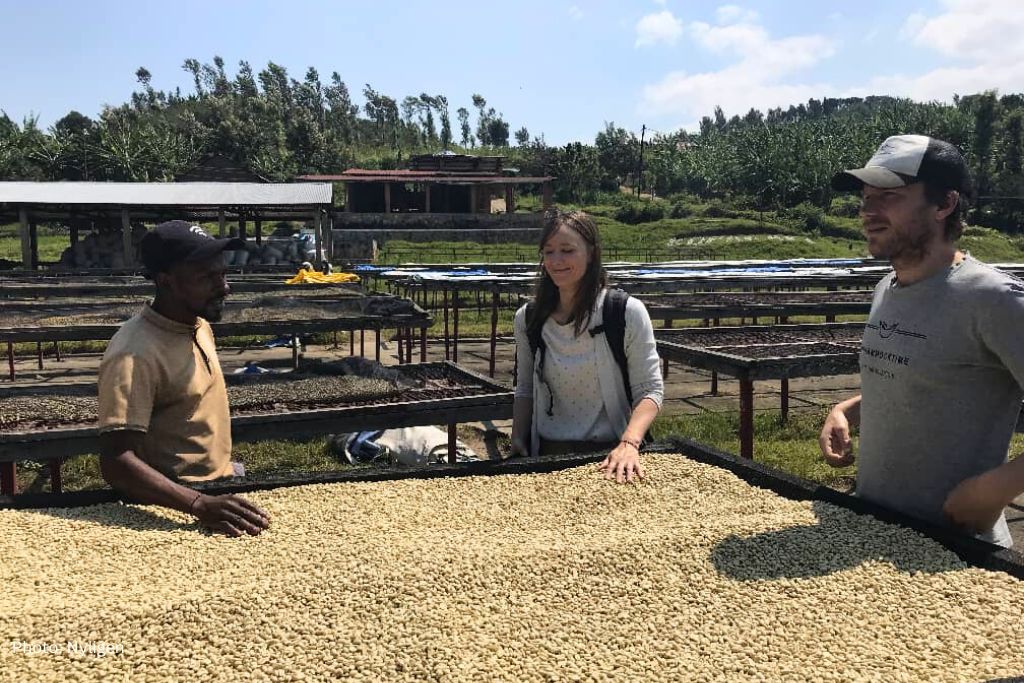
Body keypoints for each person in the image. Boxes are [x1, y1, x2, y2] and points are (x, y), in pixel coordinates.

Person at [820, 134, 1024, 547]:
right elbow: (923, 375)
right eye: (865, 197)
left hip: (956, 549)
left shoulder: (993, 299)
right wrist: (844, 410)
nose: (867, 212)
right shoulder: (887, 288)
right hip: (873, 529)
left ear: (944, 205)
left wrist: (993, 492)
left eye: (888, 196)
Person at [97, 221, 271, 537]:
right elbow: (116, 462)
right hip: (174, 504)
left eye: (223, 274)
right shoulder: (134, 353)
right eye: (207, 277)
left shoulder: (199, 324)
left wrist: (223, 479)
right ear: (167, 282)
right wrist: (198, 504)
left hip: (220, 485)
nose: (224, 287)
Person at [509, 210, 664, 483]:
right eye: (549, 252)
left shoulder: (624, 312)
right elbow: (525, 389)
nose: (557, 261)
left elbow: (650, 390)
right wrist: (519, 437)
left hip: (611, 457)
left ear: (591, 253)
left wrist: (630, 443)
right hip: (548, 454)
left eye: (567, 250)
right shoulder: (529, 319)